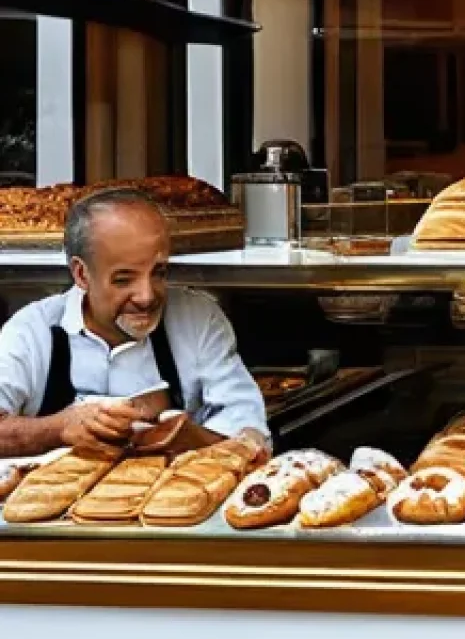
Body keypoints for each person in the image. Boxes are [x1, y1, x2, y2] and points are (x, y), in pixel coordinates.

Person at [0, 186, 269, 458]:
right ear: (81, 274)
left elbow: (252, 436)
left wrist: (193, 438)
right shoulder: (32, 331)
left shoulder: (197, 320)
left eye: (158, 273)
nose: (146, 296)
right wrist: (58, 429)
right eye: (123, 279)